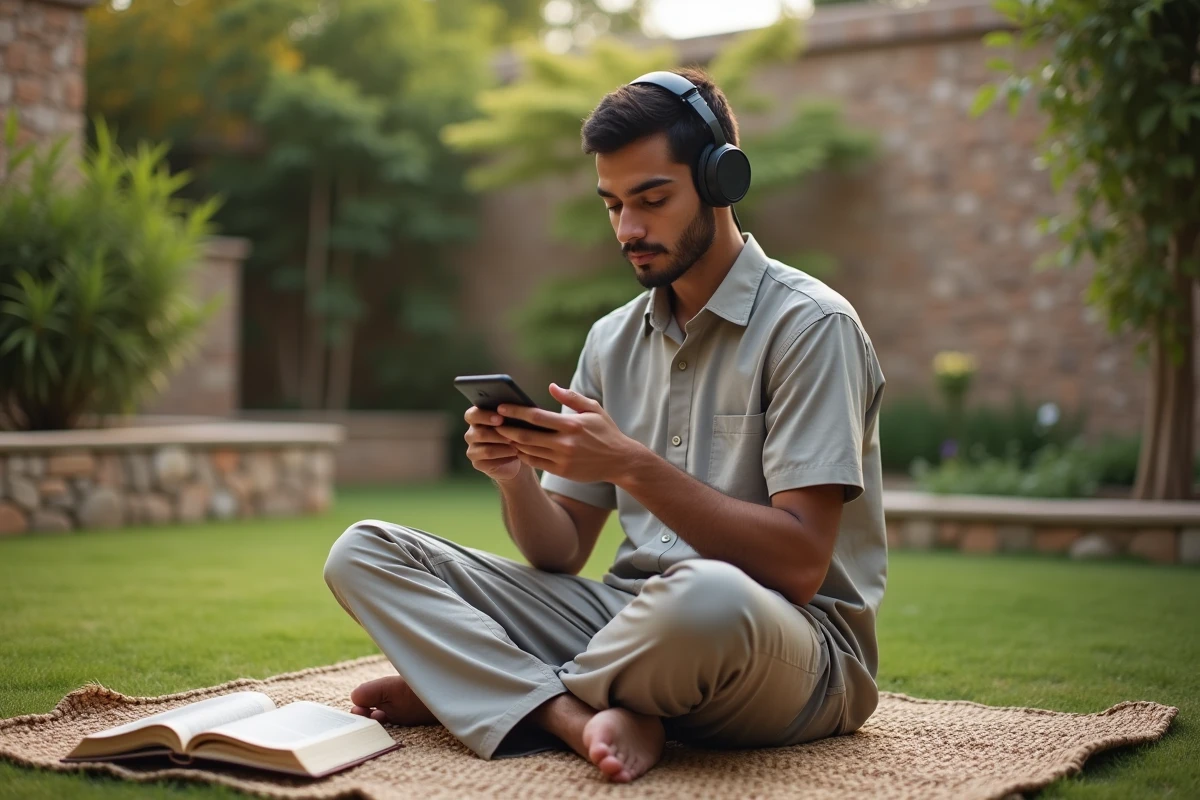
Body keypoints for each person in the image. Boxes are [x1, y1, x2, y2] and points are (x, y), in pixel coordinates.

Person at [323, 67, 887, 784]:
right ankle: (566, 712)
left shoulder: (812, 327)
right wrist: (514, 477)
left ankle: (479, 690)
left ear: (720, 182)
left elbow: (801, 565)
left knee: (706, 595)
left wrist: (630, 465)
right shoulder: (610, 340)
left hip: (788, 646)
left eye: (652, 200)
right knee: (363, 551)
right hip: (628, 621)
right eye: (613, 205)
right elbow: (560, 552)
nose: (628, 230)